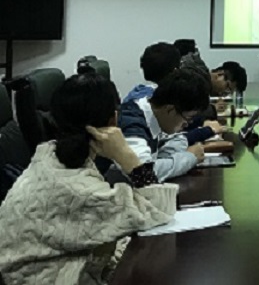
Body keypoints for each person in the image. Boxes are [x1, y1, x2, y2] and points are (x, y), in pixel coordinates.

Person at [0, 73, 177, 284]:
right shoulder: (77, 187)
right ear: (114, 120)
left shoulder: (51, 157)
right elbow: (158, 208)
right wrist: (126, 156)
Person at [118, 68, 210, 181]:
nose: (187, 125)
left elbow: (178, 139)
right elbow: (142, 175)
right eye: (188, 118)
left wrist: (165, 164)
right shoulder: (132, 123)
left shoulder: (157, 117)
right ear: (170, 110)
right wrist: (189, 158)